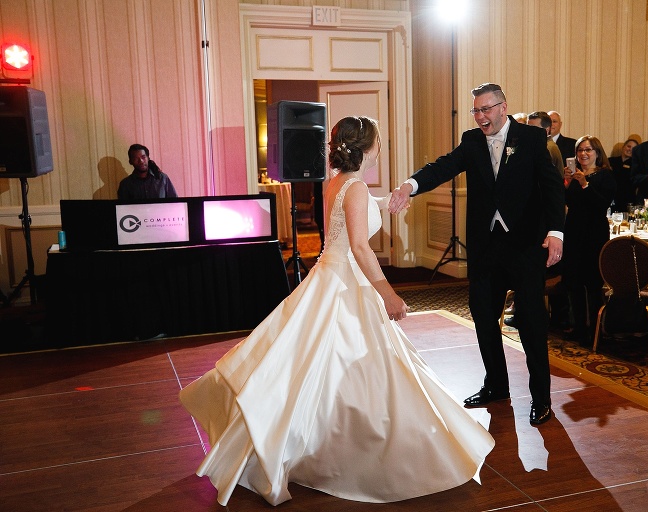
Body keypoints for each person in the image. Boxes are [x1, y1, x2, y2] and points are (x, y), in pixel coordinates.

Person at [179, 116, 494, 506]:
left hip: (329, 276)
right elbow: (360, 247)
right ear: (367, 147)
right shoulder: (356, 186)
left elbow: (347, 224)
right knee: (347, 365)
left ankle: (309, 437)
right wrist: (388, 294)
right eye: (379, 141)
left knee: (314, 366)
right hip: (346, 281)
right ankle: (348, 446)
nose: (382, 146)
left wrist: (388, 201)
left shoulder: (337, 183)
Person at [389, 83, 565, 426]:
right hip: (486, 249)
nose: (481, 117)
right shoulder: (471, 141)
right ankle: (496, 385)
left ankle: (541, 398)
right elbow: (442, 167)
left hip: (526, 247)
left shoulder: (531, 139)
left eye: (486, 109)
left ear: (503, 106)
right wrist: (409, 185)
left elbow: (551, 187)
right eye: (476, 111)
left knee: (531, 324)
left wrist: (555, 232)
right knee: (483, 318)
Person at [562, 136, 616, 345]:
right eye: (580, 150)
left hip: (594, 233)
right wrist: (567, 183)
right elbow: (568, 201)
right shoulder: (576, 175)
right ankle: (578, 327)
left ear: (597, 153)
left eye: (588, 150)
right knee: (574, 281)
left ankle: (594, 330)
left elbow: (600, 205)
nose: (583, 154)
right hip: (574, 231)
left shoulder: (605, 175)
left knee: (592, 283)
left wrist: (584, 184)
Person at [527, 111, 565, 178]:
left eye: (533, 129)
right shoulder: (539, 146)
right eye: (527, 128)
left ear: (546, 130)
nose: (528, 132)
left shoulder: (547, 148)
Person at [608, 138, 639, 212]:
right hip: (611, 198)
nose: (630, 149)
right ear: (623, 147)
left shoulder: (637, 165)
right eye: (628, 146)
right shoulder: (610, 161)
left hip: (628, 200)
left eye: (633, 148)